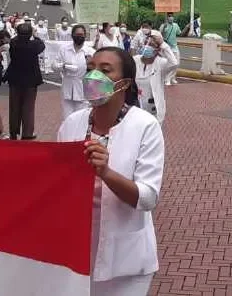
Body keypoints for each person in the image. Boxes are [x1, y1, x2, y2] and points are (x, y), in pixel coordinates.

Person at [57, 47, 164, 295]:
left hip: (127, 260)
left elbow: (147, 198)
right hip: (78, 253)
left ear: (124, 83)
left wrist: (106, 173)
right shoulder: (73, 124)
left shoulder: (144, 126)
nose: (94, 77)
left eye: (105, 71)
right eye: (91, 68)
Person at [4, 23, 45, 140]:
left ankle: (13, 132)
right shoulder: (34, 45)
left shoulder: (14, 43)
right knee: (28, 107)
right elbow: (42, 45)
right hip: (31, 81)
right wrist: (35, 35)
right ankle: (27, 133)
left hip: (15, 79)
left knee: (14, 107)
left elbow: (16, 38)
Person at [133, 31, 177, 126]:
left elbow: (174, 63)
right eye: (146, 43)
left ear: (157, 50)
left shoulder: (161, 63)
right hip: (136, 109)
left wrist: (163, 44)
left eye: (151, 45)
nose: (147, 46)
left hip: (154, 111)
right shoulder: (135, 60)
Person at [54, 24, 95, 120]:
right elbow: (54, 65)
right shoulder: (64, 50)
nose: (79, 37)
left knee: (81, 120)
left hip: (83, 91)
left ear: (85, 36)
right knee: (67, 119)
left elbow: (97, 71)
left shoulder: (90, 52)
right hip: (67, 89)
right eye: (77, 34)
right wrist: (63, 66)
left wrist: (91, 66)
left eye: (82, 34)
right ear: (72, 35)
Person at [159, 13, 181, 86]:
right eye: (169, 16)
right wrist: (163, 29)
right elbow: (160, 35)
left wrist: (187, 28)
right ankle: (167, 79)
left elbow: (180, 33)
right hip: (167, 47)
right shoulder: (163, 25)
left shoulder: (176, 25)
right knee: (170, 63)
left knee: (177, 63)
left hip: (175, 47)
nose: (171, 18)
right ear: (167, 18)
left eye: (172, 16)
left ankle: (172, 78)